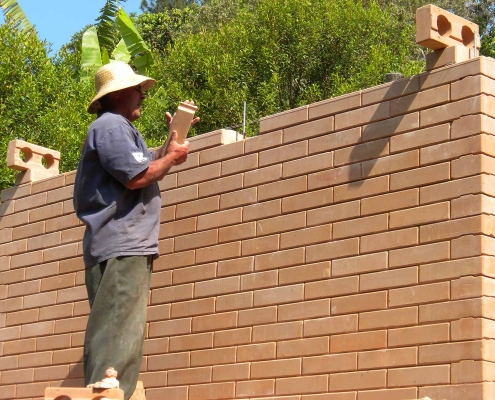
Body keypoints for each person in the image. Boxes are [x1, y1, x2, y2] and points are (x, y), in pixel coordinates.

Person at [73, 61, 196, 400]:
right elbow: (137, 177)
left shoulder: (115, 127)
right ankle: (106, 394)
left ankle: (112, 391)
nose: (143, 94)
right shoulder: (112, 125)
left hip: (121, 244)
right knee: (117, 331)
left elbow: (139, 167)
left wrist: (168, 149)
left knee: (120, 330)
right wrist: (169, 160)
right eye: (137, 89)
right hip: (121, 245)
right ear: (116, 95)